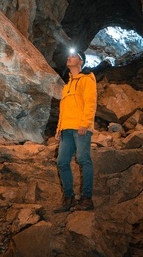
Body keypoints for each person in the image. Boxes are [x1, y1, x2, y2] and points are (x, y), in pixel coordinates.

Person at [54, 52, 97, 212]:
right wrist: (59, 128)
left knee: (83, 159)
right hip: (66, 129)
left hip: (80, 127)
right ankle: (69, 198)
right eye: (68, 55)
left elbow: (90, 102)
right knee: (62, 161)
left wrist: (85, 123)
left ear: (81, 61)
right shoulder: (67, 86)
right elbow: (63, 109)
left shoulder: (87, 79)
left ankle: (87, 199)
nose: (69, 57)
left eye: (74, 55)